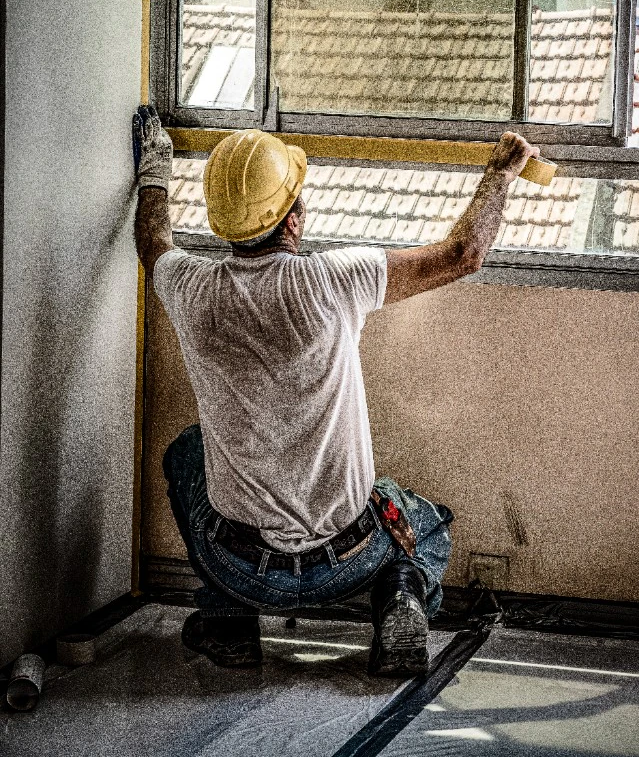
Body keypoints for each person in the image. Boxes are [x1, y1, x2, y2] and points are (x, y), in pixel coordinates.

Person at [133, 106, 539, 676]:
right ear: (292, 220)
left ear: (224, 222)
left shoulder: (189, 287)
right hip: (346, 561)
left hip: (241, 566)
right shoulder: (332, 281)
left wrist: (154, 162)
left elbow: (152, 242)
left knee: (185, 456)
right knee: (425, 524)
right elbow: (462, 256)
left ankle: (229, 619)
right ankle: (399, 598)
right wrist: (500, 172)